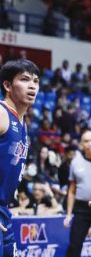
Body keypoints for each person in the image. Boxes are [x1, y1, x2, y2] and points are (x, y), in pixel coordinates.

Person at [0, 59, 37, 257]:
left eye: (36, 81)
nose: (32, 86)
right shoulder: (1, 113)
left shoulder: (22, 123)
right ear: (7, 85)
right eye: (24, 79)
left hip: (4, 212)